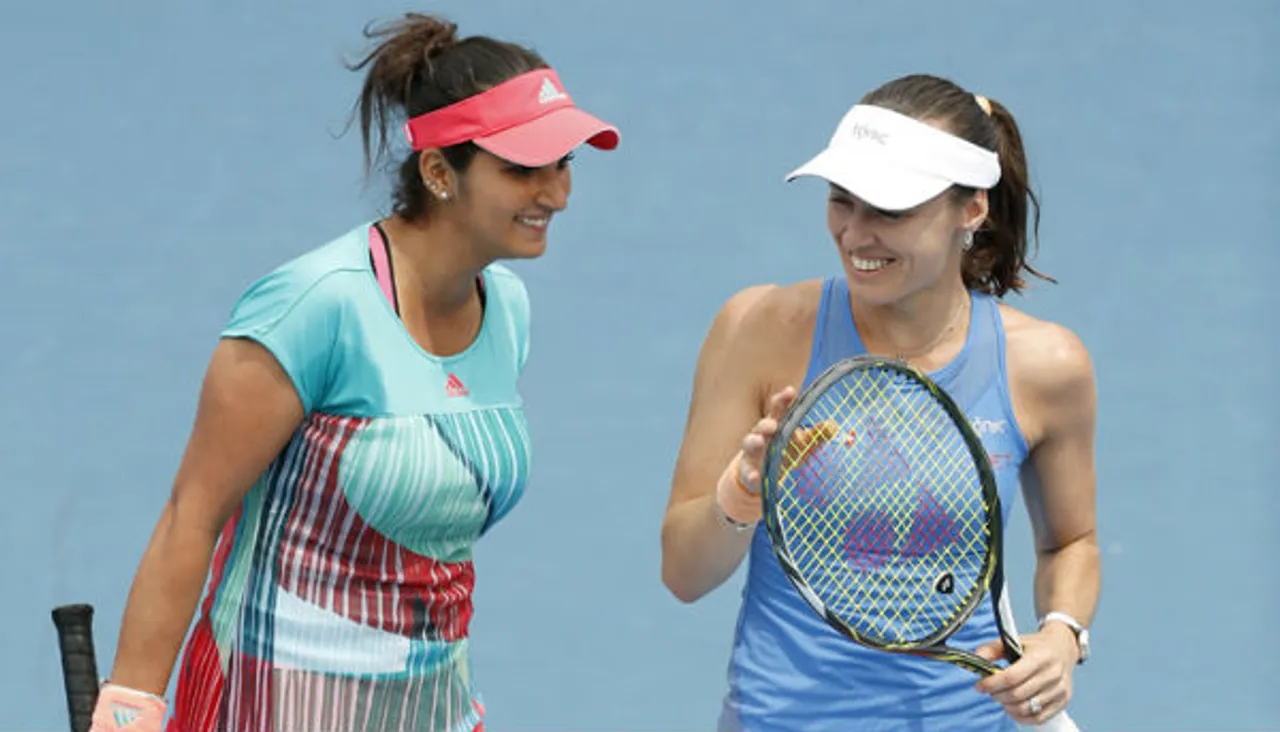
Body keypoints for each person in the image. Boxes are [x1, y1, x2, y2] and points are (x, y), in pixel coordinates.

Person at [88, 13, 619, 732]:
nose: (554, 193)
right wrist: (132, 706)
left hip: (430, 706)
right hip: (269, 701)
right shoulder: (315, 306)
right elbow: (193, 516)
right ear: (438, 172)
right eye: (522, 168)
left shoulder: (509, 313)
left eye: (564, 164)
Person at [660, 73, 1100, 731]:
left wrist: (1062, 636)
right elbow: (683, 574)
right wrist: (740, 496)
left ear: (971, 209)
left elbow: (1073, 541)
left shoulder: (1047, 367)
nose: (856, 235)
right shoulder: (758, 329)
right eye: (843, 201)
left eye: (890, 211)